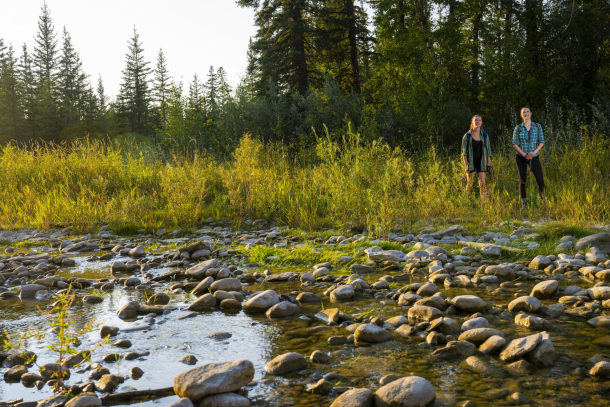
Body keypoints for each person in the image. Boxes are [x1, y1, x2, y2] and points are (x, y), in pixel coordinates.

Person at [512, 106, 546, 208]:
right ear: (521, 115)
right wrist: (524, 154)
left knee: (540, 179)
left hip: (534, 156)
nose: (526, 114)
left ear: (530, 113)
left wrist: (533, 152)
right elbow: (514, 144)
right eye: (523, 112)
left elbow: (542, 141)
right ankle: (524, 203)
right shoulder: (518, 128)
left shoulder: (537, 126)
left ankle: (544, 201)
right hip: (521, 157)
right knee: (523, 180)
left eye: (527, 112)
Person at [461, 115, 492, 199]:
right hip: (470, 163)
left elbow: (488, 151)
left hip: (481, 162)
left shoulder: (484, 135)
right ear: (472, 122)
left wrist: (488, 164)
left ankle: (484, 204)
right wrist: (466, 165)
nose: (477, 122)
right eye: (476, 120)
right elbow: (463, 152)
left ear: (481, 122)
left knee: (482, 183)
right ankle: (468, 203)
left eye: (479, 120)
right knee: (470, 184)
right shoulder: (467, 136)